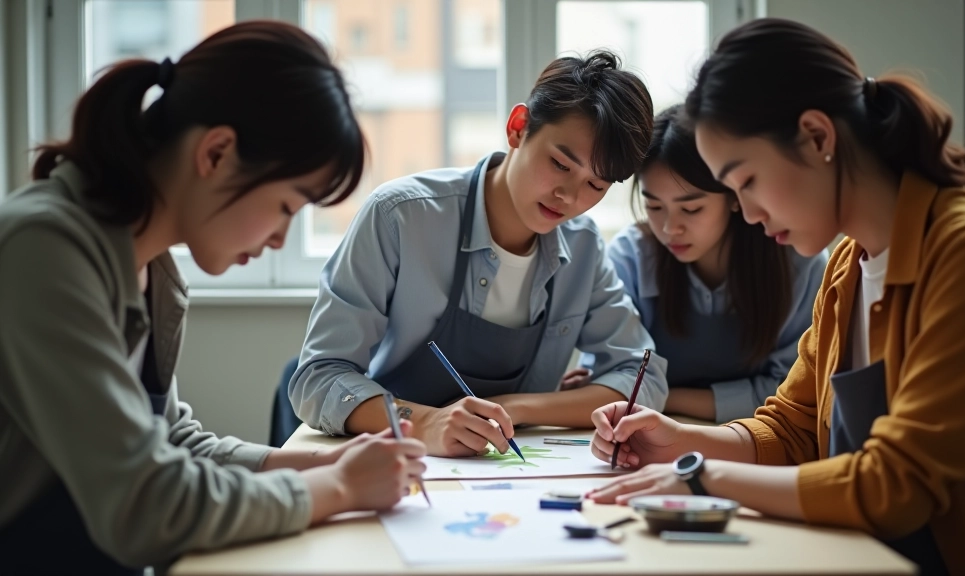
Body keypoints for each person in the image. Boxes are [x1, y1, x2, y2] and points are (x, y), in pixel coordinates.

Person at [586, 18, 965, 576]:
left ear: (818, 137)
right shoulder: (848, 264)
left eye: (745, 181)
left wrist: (701, 474)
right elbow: (791, 429)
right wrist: (678, 441)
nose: (745, 212)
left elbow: (896, 483)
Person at [0, 21, 425, 575]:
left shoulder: (150, 267)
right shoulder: (44, 249)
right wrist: (338, 487)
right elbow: (144, 505)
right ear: (217, 152)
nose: (279, 238)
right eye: (285, 207)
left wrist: (309, 465)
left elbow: (170, 443)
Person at [290, 51, 669, 457]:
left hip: (511, 471)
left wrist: (518, 407)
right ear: (518, 128)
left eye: (596, 186)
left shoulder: (583, 246)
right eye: (560, 164)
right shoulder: (401, 217)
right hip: (398, 461)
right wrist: (424, 423)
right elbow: (320, 377)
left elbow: (643, 379)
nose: (570, 197)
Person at [564, 105, 825, 422]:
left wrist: (661, 396)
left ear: (734, 195)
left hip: (756, 438)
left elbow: (792, 393)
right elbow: (608, 380)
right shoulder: (632, 257)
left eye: (691, 209)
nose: (670, 227)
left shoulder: (795, 260)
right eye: (654, 206)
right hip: (648, 435)